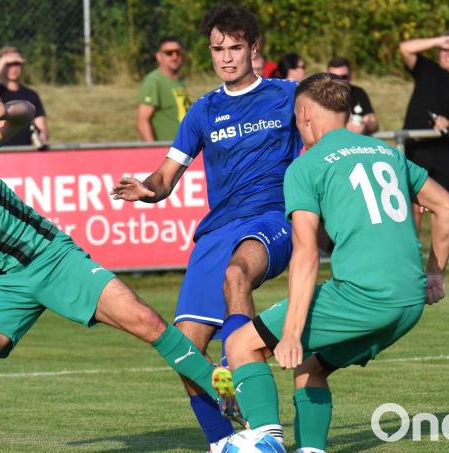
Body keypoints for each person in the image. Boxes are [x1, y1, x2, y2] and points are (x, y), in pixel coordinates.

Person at [0, 90, 224, 453]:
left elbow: (25, 114)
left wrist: (4, 110)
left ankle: (232, 400)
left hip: (51, 257)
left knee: (147, 321)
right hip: (0, 286)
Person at [222, 73, 449, 451]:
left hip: (363, 296)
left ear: (303, 114)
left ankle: (263, 443)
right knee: (311, 367)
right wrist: (435, 274)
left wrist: (292, 332)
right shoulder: (386, 152)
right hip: (409, 302)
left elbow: (305, 254)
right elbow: (447, 206)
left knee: (240, 345)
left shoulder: (307, 165)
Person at [112, 4, 302, 450]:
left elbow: (332, 141)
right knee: (186, 354)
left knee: (238, 275)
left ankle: (259, 416)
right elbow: (165, 178)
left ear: (254, 47)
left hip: (272, 220)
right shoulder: (203, 111)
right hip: (217, 232)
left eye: (236, 47)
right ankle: (223, 442)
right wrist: (145, 189)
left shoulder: (289, 95)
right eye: (218, 49)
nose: (227, 57)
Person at [399, 32, 449, 230]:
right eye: (443, 49)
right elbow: (405, 48)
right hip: (416, 148)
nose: (447, 54)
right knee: (413, 207)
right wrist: (437, 40)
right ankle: (413, 258)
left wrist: (448, 123)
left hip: (443, 150)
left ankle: (439, 259)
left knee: (444, 207)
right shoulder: (427, 69)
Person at [0, 46, 49, 148]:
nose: (14, 68)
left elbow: (42, 128)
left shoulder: (31, 94)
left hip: (25, 151)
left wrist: (42, 136)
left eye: (17, 64)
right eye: (9, 64)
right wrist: (4, 59)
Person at [136, 37, 191, 142]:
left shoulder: (180, 83)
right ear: (159, 56)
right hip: (167, 152)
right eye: (169, 53)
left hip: (184, 151)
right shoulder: (154, 81)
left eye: (178, 53)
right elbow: (142, 120)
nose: (174, 57)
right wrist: (153, 151)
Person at [326, 57, 379, 135]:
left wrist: (364, 125)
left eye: (344, 77)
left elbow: (374, 124)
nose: (339, 81)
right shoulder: (322, 96)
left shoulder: (358, 93)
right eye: (334, 77)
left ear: (351, 76)